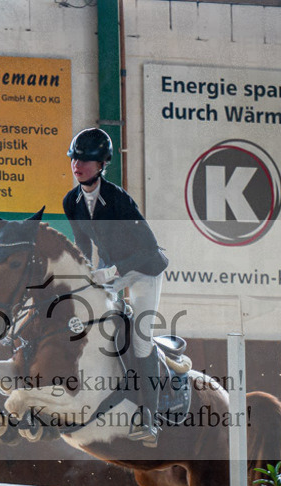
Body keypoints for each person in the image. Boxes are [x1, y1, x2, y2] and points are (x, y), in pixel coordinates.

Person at [62, 127, 168, 446]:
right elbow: (82, 246)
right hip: (113, 274)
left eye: (86, 159)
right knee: (88, 324)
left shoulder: (119, 199)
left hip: (145, 271)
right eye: (75, 158)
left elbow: (150, 249)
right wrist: (83, 277)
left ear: (102, 163)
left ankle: (148, 417)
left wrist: (112, 272)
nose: (77, 164)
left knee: (140, 338)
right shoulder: (72, 201)